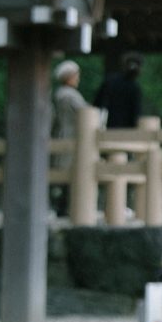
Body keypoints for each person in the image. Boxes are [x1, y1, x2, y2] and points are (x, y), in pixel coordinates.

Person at [50, 59, 90, 216]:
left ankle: (62, 205)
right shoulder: (70, 95)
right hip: (72, 135)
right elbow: (85, 113)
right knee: (70, 171)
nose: (78, 78)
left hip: (63, 134)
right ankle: (65, 206)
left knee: (65, 171)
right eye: (76, 75)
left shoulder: (59, 94)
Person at [93, 52, 144, 129]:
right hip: (127, 131)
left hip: (109, 127)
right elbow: (136, 113)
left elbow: (97, 103)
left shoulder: (109, 81)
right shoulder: (134, 88)